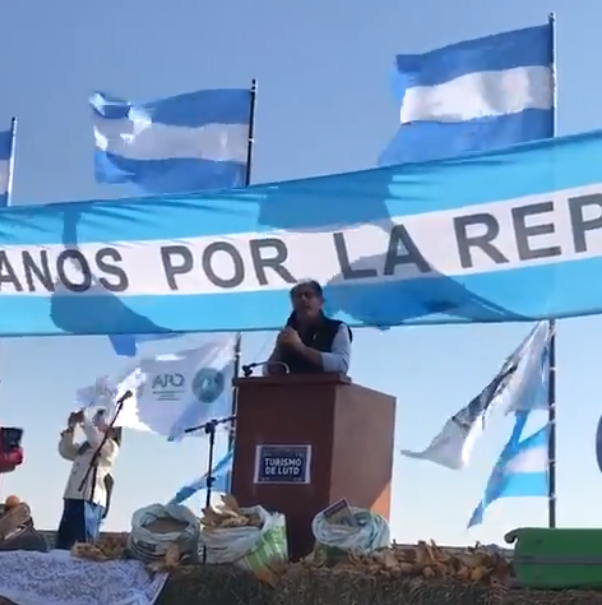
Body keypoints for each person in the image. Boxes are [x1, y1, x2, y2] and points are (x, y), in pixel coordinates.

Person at [55, 409, 121, 549]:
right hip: (73, 496)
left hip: (90, 500)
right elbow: (66, 451)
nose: (96, 423)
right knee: (64, 542)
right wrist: (71, 429)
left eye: (101, 420)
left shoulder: (110, 448)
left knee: (84, 543)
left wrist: (83, 421)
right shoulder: (86, 447)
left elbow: (97, 439)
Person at [265, 280, 352, 375]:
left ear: (321, 302)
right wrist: (279, 351)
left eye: (308, 295)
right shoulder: (288, 331)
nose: (303, 299)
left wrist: (301, 348)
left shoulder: (337, 328)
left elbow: (341, 365)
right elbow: (266, 372)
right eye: (298, 296)